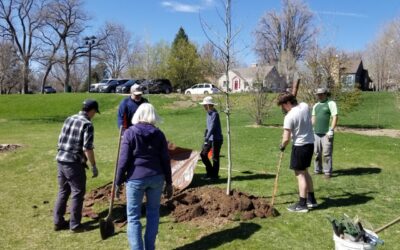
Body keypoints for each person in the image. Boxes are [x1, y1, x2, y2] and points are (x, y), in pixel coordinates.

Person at [115, 103, 173, 250]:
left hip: (136, 178)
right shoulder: (159, 134)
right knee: (153, 214)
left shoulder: (130, 133)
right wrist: (169, 182)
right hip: (156, 178)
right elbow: (165, 160)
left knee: (133, 217)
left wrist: (117, 181)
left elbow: (123, 160)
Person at [53, 99, 100, 232]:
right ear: (92, 111)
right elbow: (87, 148)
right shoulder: (87, 124)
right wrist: (94, 165)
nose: (94, 115)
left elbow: (60, 138)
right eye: (95, 112)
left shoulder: (69, 118)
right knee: (77, 193)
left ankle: (58, 222)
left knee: (63, 190)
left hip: (61, 159)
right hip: (73, 163)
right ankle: (75, 225)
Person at [277, 92, 317, 212]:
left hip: (300, 146)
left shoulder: (289, 117)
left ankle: (302, 204)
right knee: (305, 172)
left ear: (288, 103)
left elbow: (286, 138)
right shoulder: (305, 106)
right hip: (310, 144)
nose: (282, 108)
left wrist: (282, 146)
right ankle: (312, 200)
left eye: (283, 105)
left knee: (300, 175)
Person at [312, 87, 338, 178]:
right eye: (318, 94)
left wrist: (331, 130)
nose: (319, 96)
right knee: (316, 153)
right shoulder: (316, 105)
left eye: (320, 94)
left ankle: (327, 172)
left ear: (325, 94)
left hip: (326, 133)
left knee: (326, 153)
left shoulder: (331, 103)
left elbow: (335, 117)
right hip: (316, 133)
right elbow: (313, 118)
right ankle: (317, 170)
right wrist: (311, 128)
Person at [199, 96, 223, 180]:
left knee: (215, 158)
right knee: (203, 154)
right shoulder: (208, 113)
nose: (204, 106)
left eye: (205, 105)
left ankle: (214, 176)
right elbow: (208, 127)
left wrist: (206, 138)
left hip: (216, 139)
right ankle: (209, 172)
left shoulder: (215, 114)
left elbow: (212, 127)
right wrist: (205, 135)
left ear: (209, 105)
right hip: (210, 138)